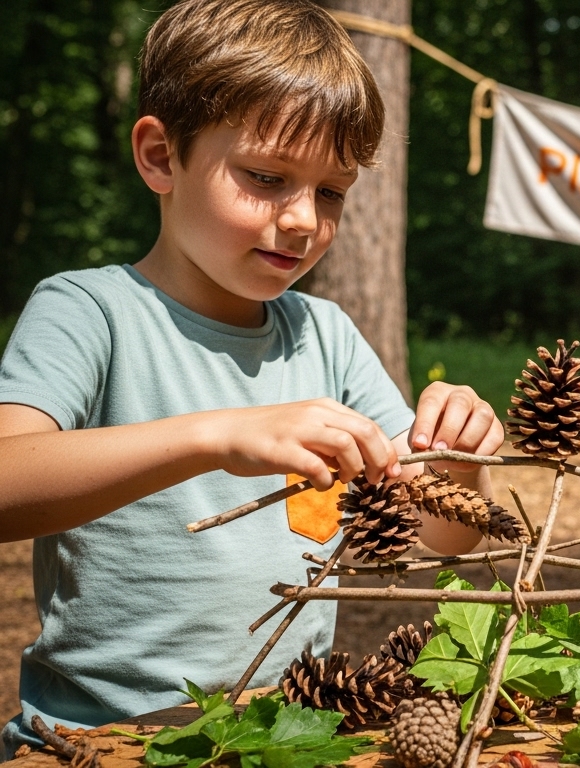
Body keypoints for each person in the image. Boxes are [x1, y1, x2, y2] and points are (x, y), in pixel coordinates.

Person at [0, 0, 501, 756]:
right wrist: (216, 435)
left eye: (331, 191)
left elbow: (446, 536)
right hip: (97, 743)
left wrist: (458, 458)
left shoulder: (325, 337)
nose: (302, 218)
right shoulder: (89, 310)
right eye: (266, 177)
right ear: (161, 156)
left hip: (282, 736)